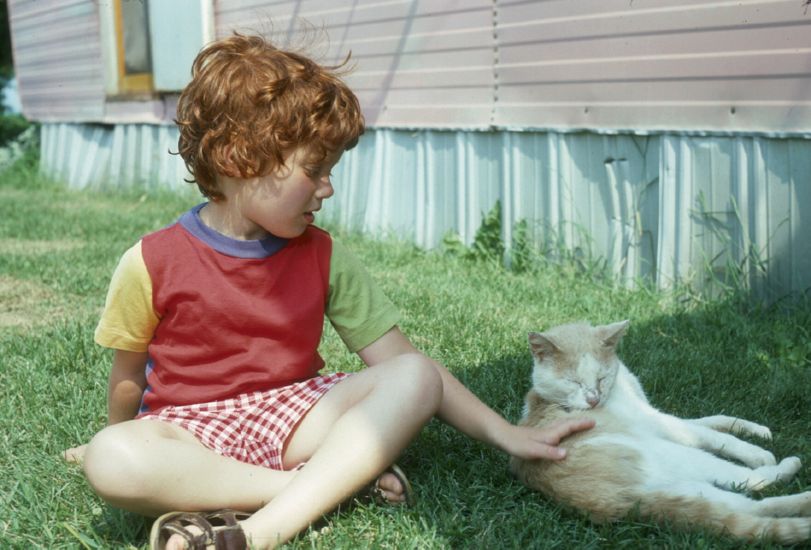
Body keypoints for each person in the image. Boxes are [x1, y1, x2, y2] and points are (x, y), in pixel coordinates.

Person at [65, 33, 594, 550]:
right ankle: (326, 485)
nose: (328, 187)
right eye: (314, 170)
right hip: (194, 429)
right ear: (236, 158)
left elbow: (408, 366)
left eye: (330, 170)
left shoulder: (324, 254)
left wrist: (507, 433)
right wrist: (113, 435)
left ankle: (258, 531)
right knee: (113, 457)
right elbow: (128, 378)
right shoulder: (149, 261)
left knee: (413, 375)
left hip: (299, 418)